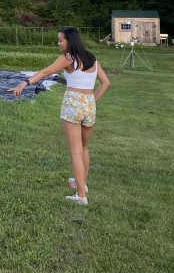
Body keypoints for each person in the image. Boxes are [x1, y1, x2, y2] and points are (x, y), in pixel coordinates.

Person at [9, 27, 110, 205]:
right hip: (89, 105)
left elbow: (45, 72)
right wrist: (91, 101)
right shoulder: (91, 58)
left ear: (69, 41)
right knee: (84, 148)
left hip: (72, 104)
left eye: (60, 40)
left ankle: (80, 196)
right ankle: (83, 185)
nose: (58, 43)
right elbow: (105, 83)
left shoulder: (68, 58)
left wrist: (24, 83)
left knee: (76, 152)